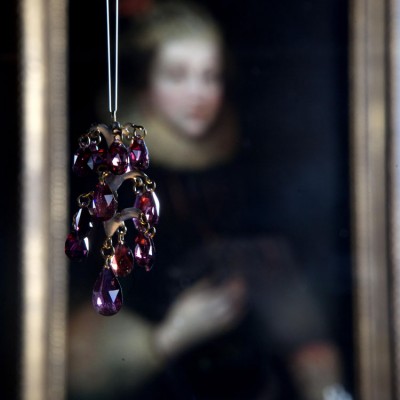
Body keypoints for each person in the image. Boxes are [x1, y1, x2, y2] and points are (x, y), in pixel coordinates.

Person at [68, 2, 352, 399]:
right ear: (145, 82)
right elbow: (83, 348)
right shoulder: (113, 177)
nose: (198, 94)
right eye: (177, 75)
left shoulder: (243, 166)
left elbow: (287, 290)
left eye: (211, 76)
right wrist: (172, 334)